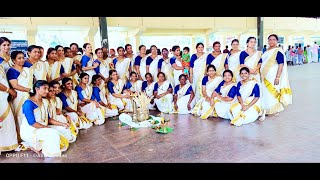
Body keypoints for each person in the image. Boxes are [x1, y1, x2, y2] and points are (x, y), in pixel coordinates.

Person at [20, 80, 69, 157]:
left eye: (47, 89)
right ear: (37, 89)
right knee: (53, 133)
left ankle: (41, 146)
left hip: (43, 127)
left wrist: (62, 124)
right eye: (44, 88)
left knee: (64, 130)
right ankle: (50, 153)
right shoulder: (28, 103)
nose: (46, 91)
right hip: (31, 131)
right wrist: (47, 127)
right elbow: (32, 123)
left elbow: (49, 119)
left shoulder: (45, 102)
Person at [260, 34, 292, 117]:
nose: (271, 41)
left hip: (273, 76)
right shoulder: (266, 51)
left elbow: (281, 64)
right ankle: (266, 109)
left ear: (277, 41)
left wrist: (277, 77)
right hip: (264, 76)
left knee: (272, 92)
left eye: (274, 39)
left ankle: (274, 110)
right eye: (270, 39)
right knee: (266, 93)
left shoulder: (278, 51)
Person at [7, 51, 33, 141]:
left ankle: (30, 135)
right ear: (14, 60)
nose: (22, 60)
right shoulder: (11, 71)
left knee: (28, 114)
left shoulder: (27, 70)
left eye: (23, 57)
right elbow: (15, 86)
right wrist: (29, 90)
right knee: (20, 116)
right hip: (19, 96)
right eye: (19, 58)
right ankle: (22, 137)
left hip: (29, 95)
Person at [0, 57, 18, 152]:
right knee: (5, 120)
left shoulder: (1, 64)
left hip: (3, 97)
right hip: (1, 97)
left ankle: (8, 145)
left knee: (7, 122)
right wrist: (9, 90)